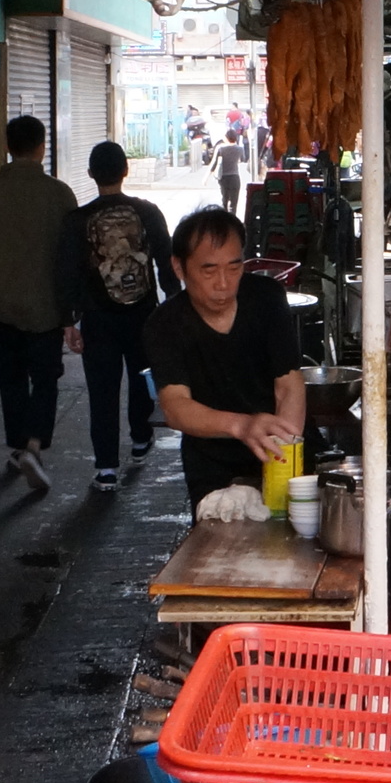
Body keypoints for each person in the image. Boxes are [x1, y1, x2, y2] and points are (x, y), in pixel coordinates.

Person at [145, 206, 304, 511]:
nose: (223, 283)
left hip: (281, 450)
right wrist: (243, 426)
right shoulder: (164, 324)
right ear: (179, 268)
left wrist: (286, 450)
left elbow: (289, 383)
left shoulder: (266, 298)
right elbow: (176, 407)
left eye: (234, 268)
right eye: (209, 270)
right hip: (213, 465)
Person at [0, 114, 76, 493]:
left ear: (7, 147)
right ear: (42, 147)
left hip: (3, 303)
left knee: (11, 378)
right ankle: (34, 446)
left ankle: (19, 446)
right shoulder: (60, 194)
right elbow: (71, 256)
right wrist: (73, 312)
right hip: (48, 305)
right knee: (46, 377)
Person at [56, 140, 172, 493]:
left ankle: (106, 467)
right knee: (141, 377)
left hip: (97, 317)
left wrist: (68, 321)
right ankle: (140, 439)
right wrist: (174, 308)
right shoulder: (148, 212)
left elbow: (66, 273)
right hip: (143, 314)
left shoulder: (77, 220)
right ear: (126, 170)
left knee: (102, 391)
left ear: (91, 174)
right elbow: (167, 263)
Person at [214, 129, 247, 214]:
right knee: (234, 203)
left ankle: (224, 220)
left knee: (224, 200)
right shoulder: (240, 149)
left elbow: (214, 163)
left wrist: (207, 176)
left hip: (223, 178)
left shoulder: (220, 148)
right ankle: (233, 221)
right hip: (235, 177)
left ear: (226, 138)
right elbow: (243, 159)